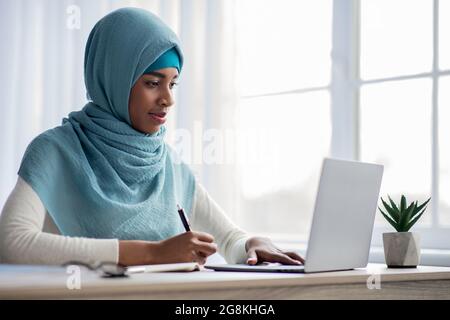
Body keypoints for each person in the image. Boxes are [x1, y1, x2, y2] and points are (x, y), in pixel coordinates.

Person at [0, 7, 304, 267]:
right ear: (114, 79)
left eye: (172, 84)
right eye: (152, 83)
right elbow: (11, 243)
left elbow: (227, 240)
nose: (167, 99)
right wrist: (151, 252)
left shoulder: (167, 164)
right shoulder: (55, 151)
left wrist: (252, 243)